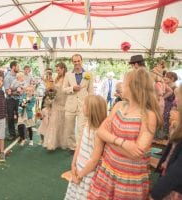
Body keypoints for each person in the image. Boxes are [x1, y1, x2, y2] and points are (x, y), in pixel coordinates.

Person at [88, 68, 162, 200]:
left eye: (124, 82)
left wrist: (108, 141)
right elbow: (100, 131)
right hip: (108, 169)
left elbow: (136, 153)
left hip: (129, 178)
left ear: (134, 87)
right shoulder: (119, 106)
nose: (121, 85)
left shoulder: (149, 115)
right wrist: (124, 143)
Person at [64, 95, 107, 200]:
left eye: (84, 105)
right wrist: (73, 165)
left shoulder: (98, 133)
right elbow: (79, 145)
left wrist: (79, 176)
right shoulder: (87, 124)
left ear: (91, 110)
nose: (82, 106)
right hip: (79, 166)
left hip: (88, 173)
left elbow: (94, 160)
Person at [151, 85, 182, 200]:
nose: (175, 100)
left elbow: (178, 169)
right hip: (168, 178)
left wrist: (156, 192)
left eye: (178, 97)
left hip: (174, 188)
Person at [63, 54, 94, 152]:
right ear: (72, 62)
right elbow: (63, 90)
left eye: (78, 61)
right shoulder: (68, 74)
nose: (77, 63)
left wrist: (89, 105)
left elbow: (91, 91)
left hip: (83, 106)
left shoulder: (88, 74)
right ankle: (72, 147)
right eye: (75, 61)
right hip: (70, 106)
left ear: (81, 61)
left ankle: (79, 148)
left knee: (81, 128)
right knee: (69, 129)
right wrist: (72, 88)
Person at [43, 62, 67, 150]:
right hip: (56, 101)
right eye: (56, 70)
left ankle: (61, 142)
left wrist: (54, 88)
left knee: (62, 123)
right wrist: (50, 90)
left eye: (58, 70)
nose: (57, 72)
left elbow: (64, 89)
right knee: (54, 122)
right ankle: (52, 143)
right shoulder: (56, 78)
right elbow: (52, 87)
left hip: (64, 101)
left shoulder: (66, 78)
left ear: (63, 69)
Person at [4, 61, 20, 140]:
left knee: (20, 115)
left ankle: (21, 133)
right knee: (10, 117)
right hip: (10, 100)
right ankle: (12, 134)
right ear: (13, 67)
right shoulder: (7, 77)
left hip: (18, 99)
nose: (19, 68)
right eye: (18, 66)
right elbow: (7, 91)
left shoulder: (18, 76)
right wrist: (17, 91)